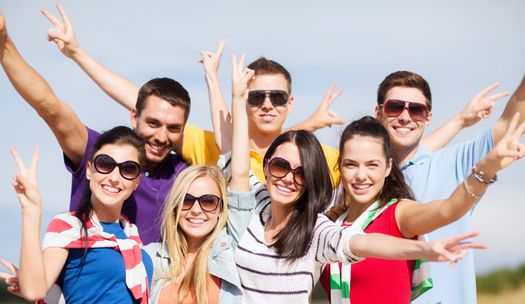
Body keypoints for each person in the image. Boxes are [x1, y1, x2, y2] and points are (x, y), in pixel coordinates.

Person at [229, 56, 486, 304]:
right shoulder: (263, 206)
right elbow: (237, 165)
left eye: (301, 172)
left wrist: (423, 249)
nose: (288, 177)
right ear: (266, 168)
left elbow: (363, 243)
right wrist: (236, 97)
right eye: (280, 167)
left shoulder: (319, 229)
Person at [39, 4, 344, 185]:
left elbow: (373, 169)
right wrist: (77, 53)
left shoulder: (319, 157)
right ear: (241, 98)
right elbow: (142, 100)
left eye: (277, 97)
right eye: (256, 96)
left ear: (289, 103)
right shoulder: (211, 145)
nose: (267, 104)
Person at [319, 116, 525, 304]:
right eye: (351, 164)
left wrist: (486, 169)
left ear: (388, 167)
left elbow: (449, 209)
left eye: (372, 165)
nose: (361, 175)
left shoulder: (399, 214)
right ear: (340, 167)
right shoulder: (331, 223)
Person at [0, 12, 188, 244]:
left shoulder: (185, 175)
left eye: (173, 128)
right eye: (153, 123)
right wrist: (3, 42)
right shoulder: (99, 153)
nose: (161, 136)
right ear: (134, 116)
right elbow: (48, 105)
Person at [373, 70, 525, 304]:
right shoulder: (361, 174)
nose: (405, 116)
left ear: (428, 117)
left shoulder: (453, 164)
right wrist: (458, 120)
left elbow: (509, 123)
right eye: (395, 107)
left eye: (416, 110)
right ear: (379, 112)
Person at [7, 126, 155, 304]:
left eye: (128, 169)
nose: (114, 177)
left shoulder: (132, 237)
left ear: (136, 182)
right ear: (89, 170)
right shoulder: (70, 227)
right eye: (105, 164)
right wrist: (31, 210)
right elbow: (34, 289)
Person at [143, 55, 254, 304]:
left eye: (208, 201)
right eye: (188, 200)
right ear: (176, 206)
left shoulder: (228, 248)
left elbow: (239, 170)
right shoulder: (152, 258)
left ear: (220, 209)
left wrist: (237, 98)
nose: (196, 209)